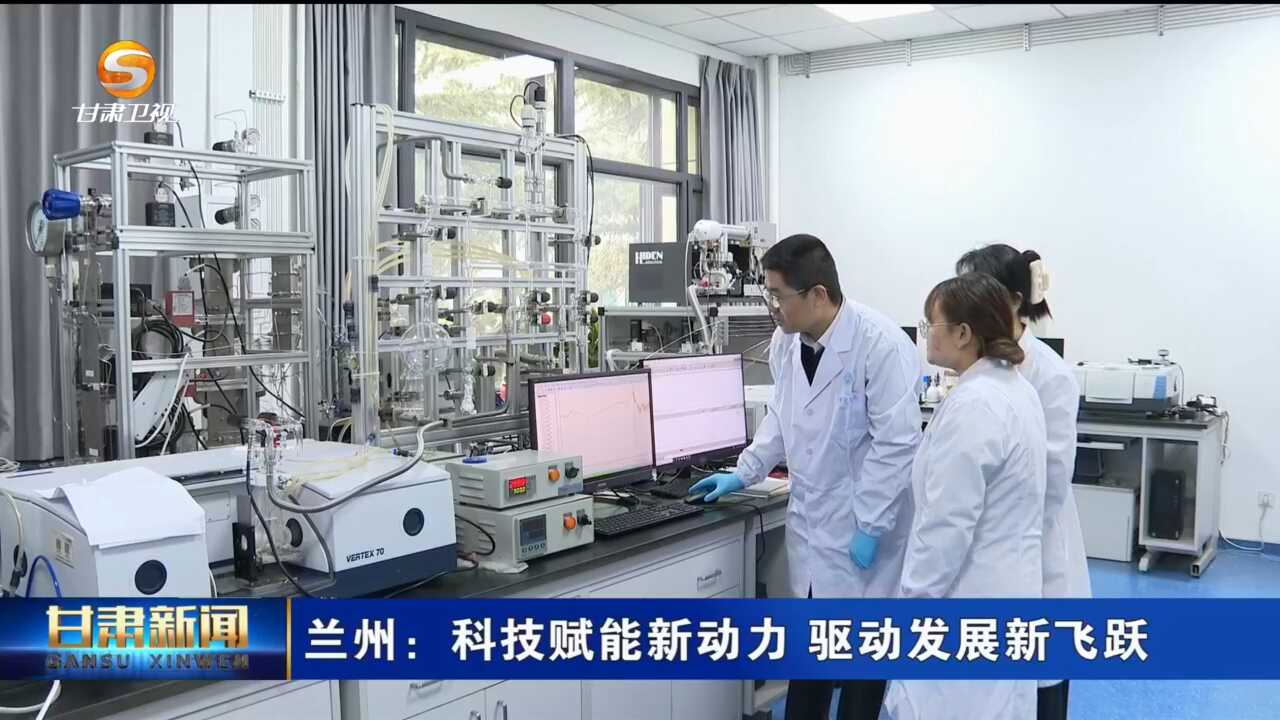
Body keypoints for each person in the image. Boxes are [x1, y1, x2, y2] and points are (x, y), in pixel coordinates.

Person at [690, 233, 921, 720]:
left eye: (778, 295)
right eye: (768, 294)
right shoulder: (786, 342)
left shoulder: (881, 346)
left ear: (818, 294)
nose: (772, 307)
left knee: (862, 674)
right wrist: (743, 472)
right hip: (814, 527)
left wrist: (871, 526)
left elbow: (897, 446)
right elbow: (783, 416)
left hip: (865, 533)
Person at [882, 272, 1047, 720]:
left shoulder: (976, 405)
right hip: (1005, 591)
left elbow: (946, 527)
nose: (925, 334)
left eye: (929, 324)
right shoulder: (1012, 388)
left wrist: (912, 610)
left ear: (962, 333)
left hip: (967, 597)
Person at [957, 244, 1092, 720]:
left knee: (1040, 689)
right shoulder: (974, 366)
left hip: (1036, 557)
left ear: (1014, 300)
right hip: (989, 557)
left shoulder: (1050, 375)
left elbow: (1050, 487)